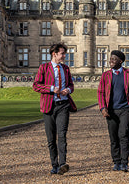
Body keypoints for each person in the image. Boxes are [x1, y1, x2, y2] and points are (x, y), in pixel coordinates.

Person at [32, 43, 78, 175]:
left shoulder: (66, 68)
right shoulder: (44, 67)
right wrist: (51, 89)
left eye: (65, 53)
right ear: (54, 54)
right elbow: (36, 86)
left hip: (63, 105)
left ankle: (63, 163)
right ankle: (55, 165)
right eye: (62, 53)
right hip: (49, 106)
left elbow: (71, 85)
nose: (64, 56)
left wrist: (67, 90)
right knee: (51, 139)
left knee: (62, 135)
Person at [97, 50, 129, 172]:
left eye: (114, 59)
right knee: (113, 137)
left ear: (121, 61)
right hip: (111, 110)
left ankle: (124, 162)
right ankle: (116, 162)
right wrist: (103, 108)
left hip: (126, 109)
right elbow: (101, 92)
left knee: (123, 134)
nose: (111, 61)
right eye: (110, 59)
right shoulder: (105, 75)